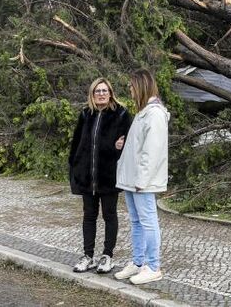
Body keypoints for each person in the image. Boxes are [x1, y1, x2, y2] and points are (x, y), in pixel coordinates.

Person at [68, 77, 132, 274]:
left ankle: (107, 256)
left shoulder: (121, 114)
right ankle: (88, 255)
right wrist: (74, 168)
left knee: (109, 215)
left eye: (104, 91)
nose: (101, 94)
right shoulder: (86, 114)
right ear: (92, 94)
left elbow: (131, 143)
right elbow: (76, 143)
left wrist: (120, 148)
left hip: (109, 176)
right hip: (87, 176)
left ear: (110, 93)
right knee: (89, 216)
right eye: (98, 91)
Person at [113, 68, 170, 285]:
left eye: (131, 86)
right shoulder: (142, 112)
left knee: (148, 222)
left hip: (141, 181)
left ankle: (153, 266)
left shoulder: (154, 114)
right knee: (136, 222)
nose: (129, 90)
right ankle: (138, 262)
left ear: (141, 86)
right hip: (131, 179)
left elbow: (152, 152)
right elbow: (138, 146)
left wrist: (141, 181)